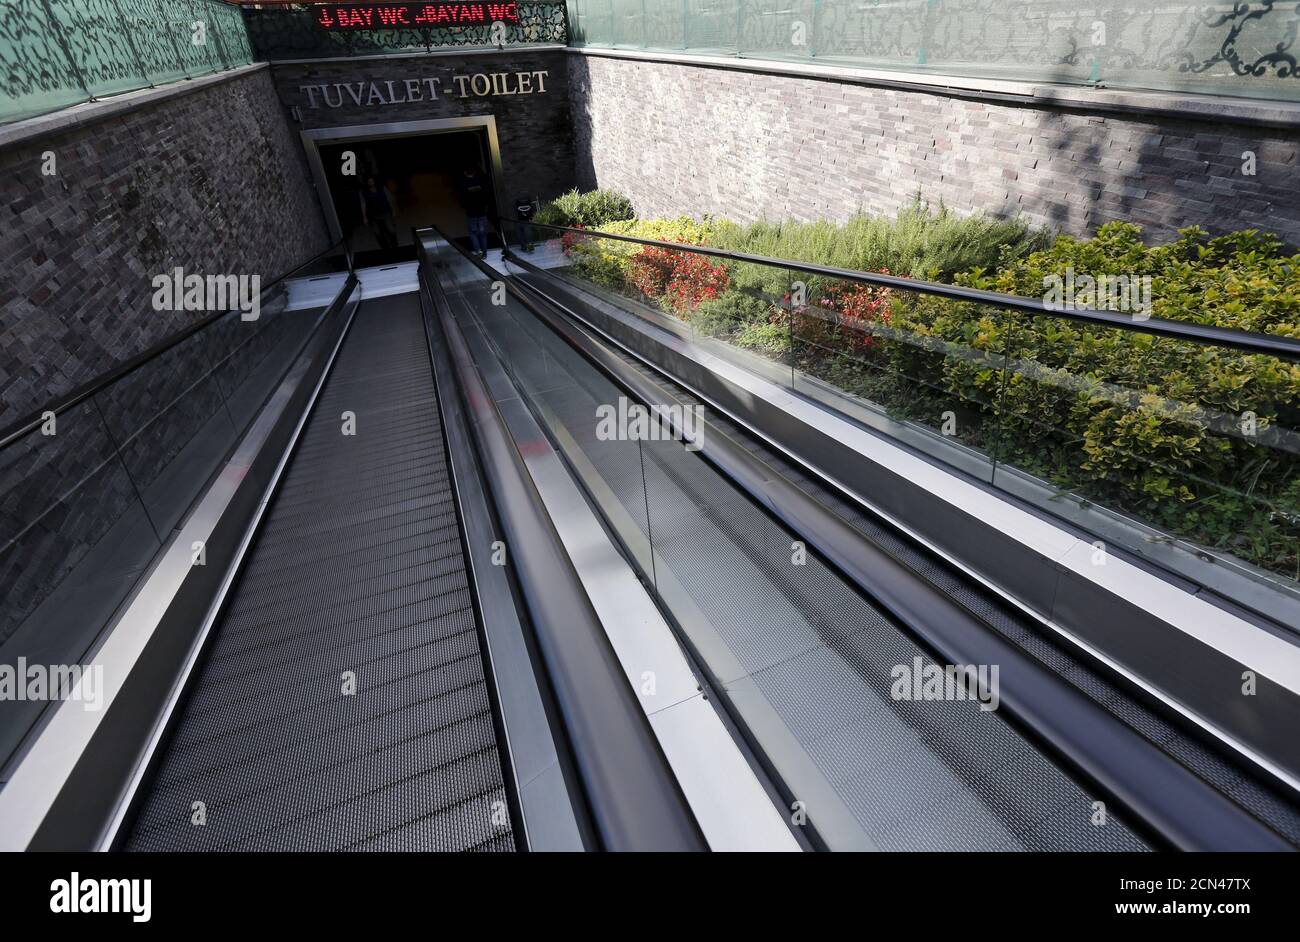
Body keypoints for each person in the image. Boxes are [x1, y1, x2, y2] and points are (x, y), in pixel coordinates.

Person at [456, 165, 490, 257]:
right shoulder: (480, 182)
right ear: (474, 172)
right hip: (482, 212)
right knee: (483, 234)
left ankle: (478, 252)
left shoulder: (463, 184)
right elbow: (486, 195)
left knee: (473, 233)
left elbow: (461, 198)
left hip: (471, 213)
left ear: (465, 173)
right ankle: (485, 253)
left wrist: (465, 207)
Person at [358, 176, 397, 251]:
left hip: (385, 212)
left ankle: (395, 245)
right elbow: (363, 204)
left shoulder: (382, 188)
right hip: (373, 215)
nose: (371, 182)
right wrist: (364, 217)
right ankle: (385, 248)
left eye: (372, 181)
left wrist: (393, 210)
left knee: (391, 230)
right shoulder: (363, 192)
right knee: (378, 233)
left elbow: (389, 199)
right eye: (369, 181)